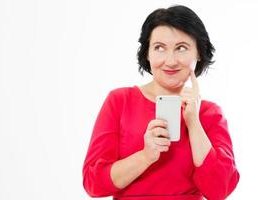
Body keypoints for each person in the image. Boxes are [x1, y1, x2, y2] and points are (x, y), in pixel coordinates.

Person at [82, 5, 240, 200]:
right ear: (147, 53)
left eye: (181, 48)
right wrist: (145, 156)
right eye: (159, 48)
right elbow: (93, 182)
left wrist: (193, 122)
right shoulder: (119, 101)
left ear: (198, 52)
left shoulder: (209, 113)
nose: (171, 61)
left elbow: (220, 190)